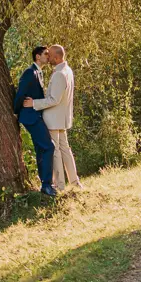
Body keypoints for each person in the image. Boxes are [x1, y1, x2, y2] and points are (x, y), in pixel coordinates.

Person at [24, 44, 82, 191]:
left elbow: (53, 99)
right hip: (62, 118)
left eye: (49, 55)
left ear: (56, 57)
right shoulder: (67, 71)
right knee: (65, 149)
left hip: (53, 119)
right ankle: (74, 181)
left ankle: (60, 185)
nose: (47, 58)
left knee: (56, 151)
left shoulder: (59, 74)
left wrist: (33, 103)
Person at [14, 45, 57, 198]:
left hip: (35, 115)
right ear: (37, 57)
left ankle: (44, 185)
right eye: (45, 54)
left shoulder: (38, 73)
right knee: (49, 147)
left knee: (41, 149)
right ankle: (47, 185)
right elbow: (20, 94)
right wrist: (15, 112)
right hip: (30, 117)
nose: (48, 56)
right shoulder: (29, 72)